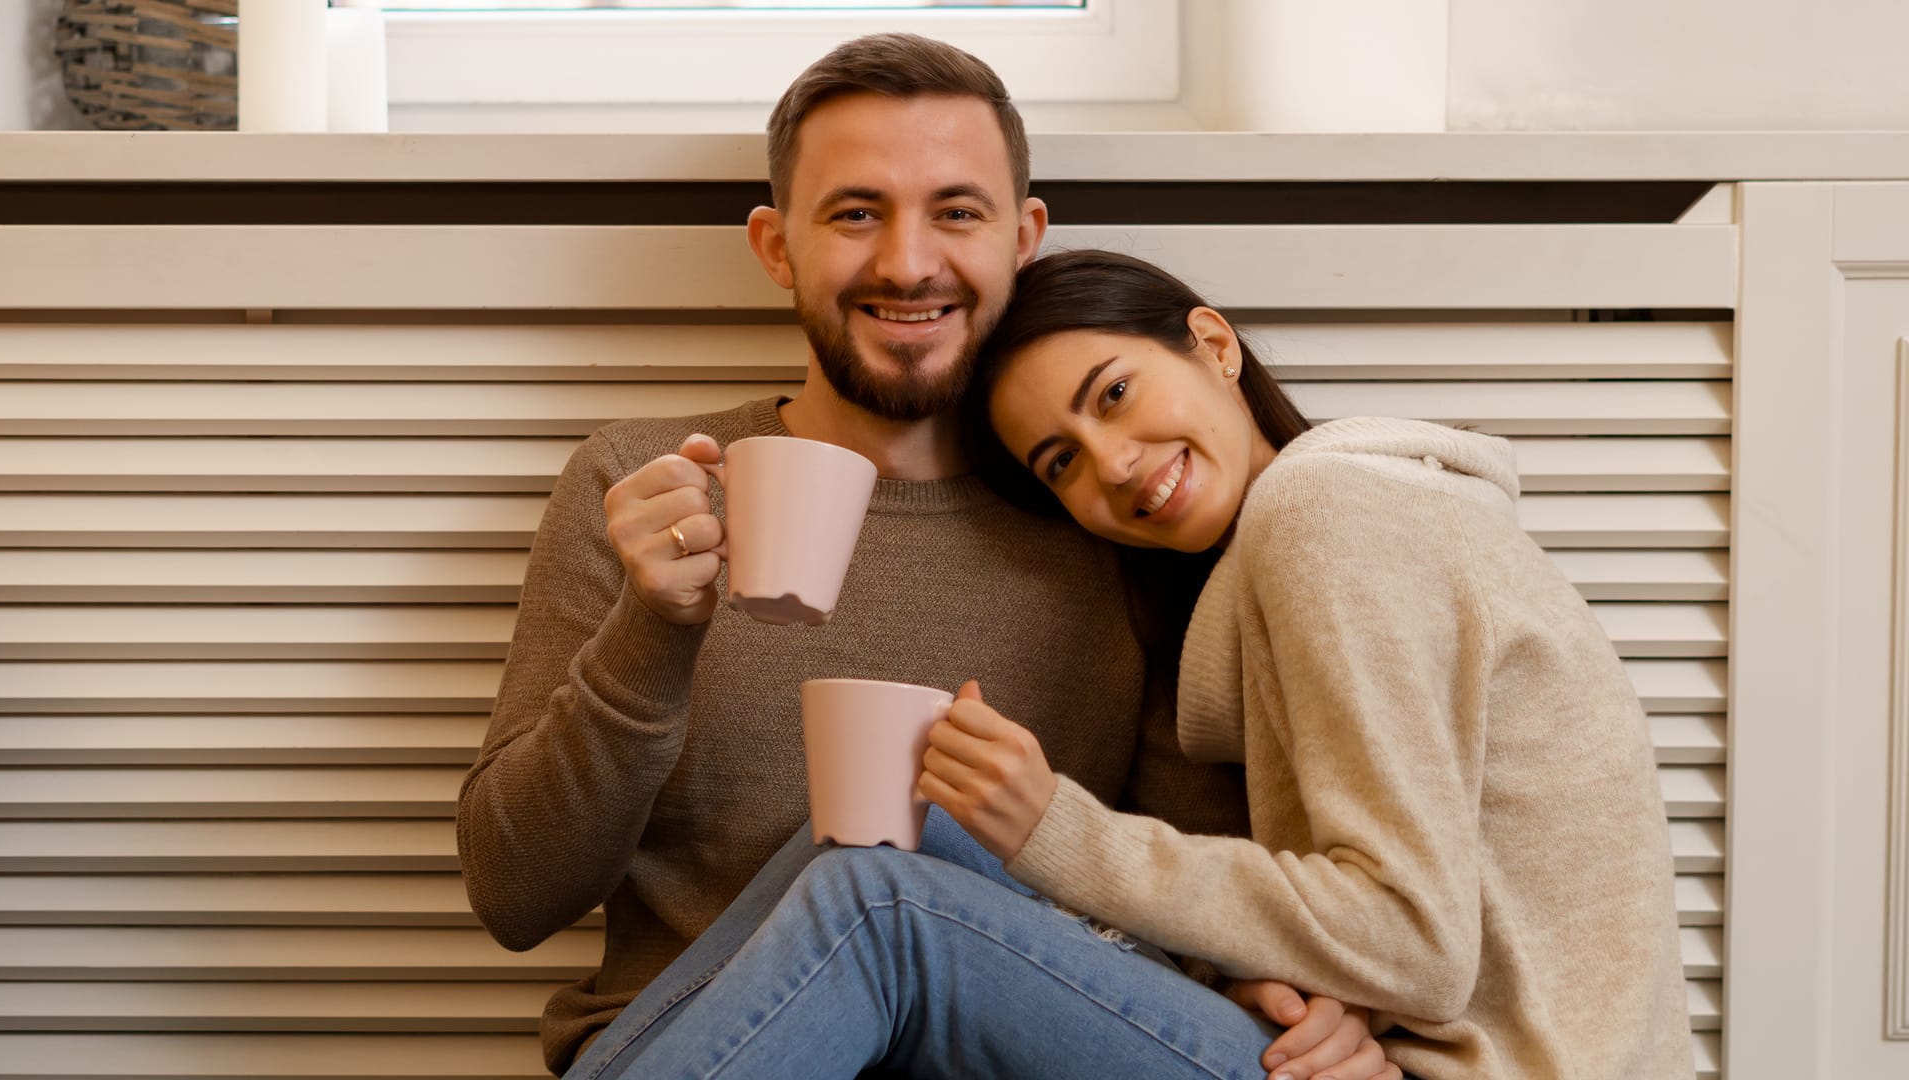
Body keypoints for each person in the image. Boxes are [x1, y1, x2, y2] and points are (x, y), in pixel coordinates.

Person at [458, 33, 1387, 1078]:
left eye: (957, 211)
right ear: (777, 247)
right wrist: (651, 631)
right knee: (868, 869)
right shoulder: (642, 488)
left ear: (1023, 237)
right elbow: (514, 895)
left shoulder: (1115, 515)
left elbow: (1190, 890)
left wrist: (1279, 995)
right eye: (856, 214)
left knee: (882, 868)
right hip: (694, 1042)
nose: (908, 262)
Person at [599, 249, 1694, 1079]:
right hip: (1361, 1048)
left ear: (1213, 344)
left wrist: (1056, 829)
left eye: (1114, 394)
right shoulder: (1233, 600)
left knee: (884, 906)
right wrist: (1272, 981)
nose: (1115, 469)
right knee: (896, 814)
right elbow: (1342, 917)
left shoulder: (1333, 513)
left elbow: (1410, 941)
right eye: (1063, 461)